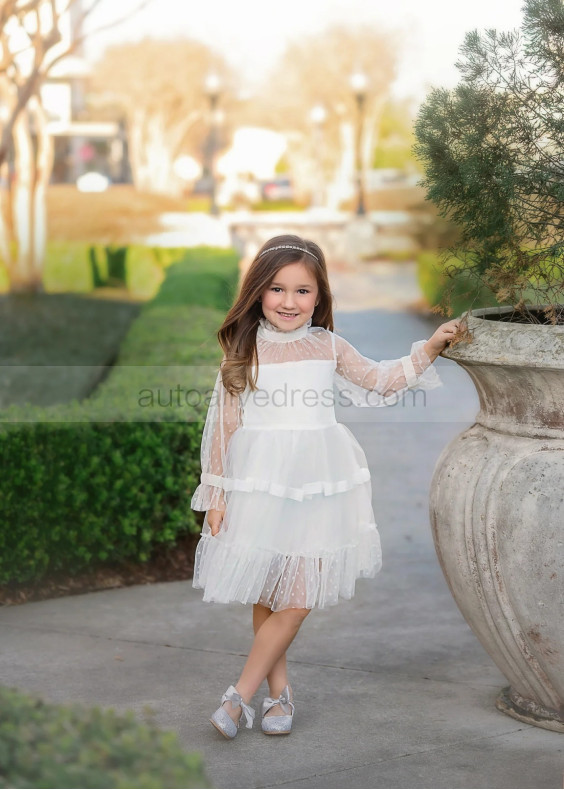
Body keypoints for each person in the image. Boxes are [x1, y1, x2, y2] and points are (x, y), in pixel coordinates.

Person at [190, 233, 460, 739]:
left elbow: (380, 380)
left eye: (302, 291)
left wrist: (430, 348)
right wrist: (217, 495)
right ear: (257, 293)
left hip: (320, 482)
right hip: (259, 481)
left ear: (320, 296)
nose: (289, 302)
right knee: (268, 592)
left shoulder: (328, 345)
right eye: (276, 289)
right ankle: (280, 695)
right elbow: (223, 426)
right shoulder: (243, 349)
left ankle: (238, 696)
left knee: (298, 593)